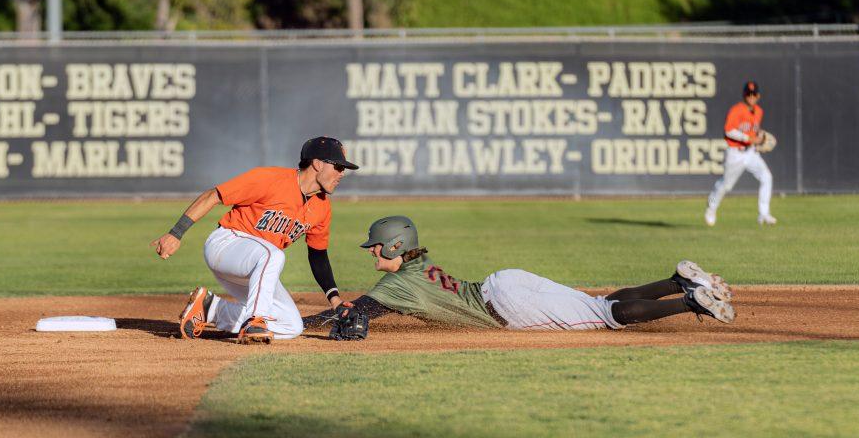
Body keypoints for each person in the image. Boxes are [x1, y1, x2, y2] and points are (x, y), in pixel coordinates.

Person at [307, 215, 736, 339]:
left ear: (396, 246)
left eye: (377, 246)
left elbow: (352, 314)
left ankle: (691, 301)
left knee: (606, 315)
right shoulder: (415, 265)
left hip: (509, 307)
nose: (373, 252)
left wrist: (300, 326)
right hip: (504, 282)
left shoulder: (394, 284)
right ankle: (677, 282)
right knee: (598, 304)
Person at [150, 136, 358, 343]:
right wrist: (176, 233)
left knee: (291, 326)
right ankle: (255, 321)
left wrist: (335, 299)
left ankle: (211, 309)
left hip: (257, 267)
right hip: (227, 244)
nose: (342, 174)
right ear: (317, 163)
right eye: (338, 167)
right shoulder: (270, 179)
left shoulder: (322, 207)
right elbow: (214, 195)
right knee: (273, 255)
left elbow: (318, 254)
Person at [705, 80, 777, 226]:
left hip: (751, 153)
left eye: (753, 94)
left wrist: (758, 141)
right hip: (735, 153)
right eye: (748, 93)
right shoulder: (736, 110)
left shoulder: (759, 111)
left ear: (758, 96)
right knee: (725, 185)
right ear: (744, 95)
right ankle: (711, 207)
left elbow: (753, 131)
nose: (751, 96)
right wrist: (749, 138)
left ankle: (764, 213)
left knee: (766, 177)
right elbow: (729, 130)